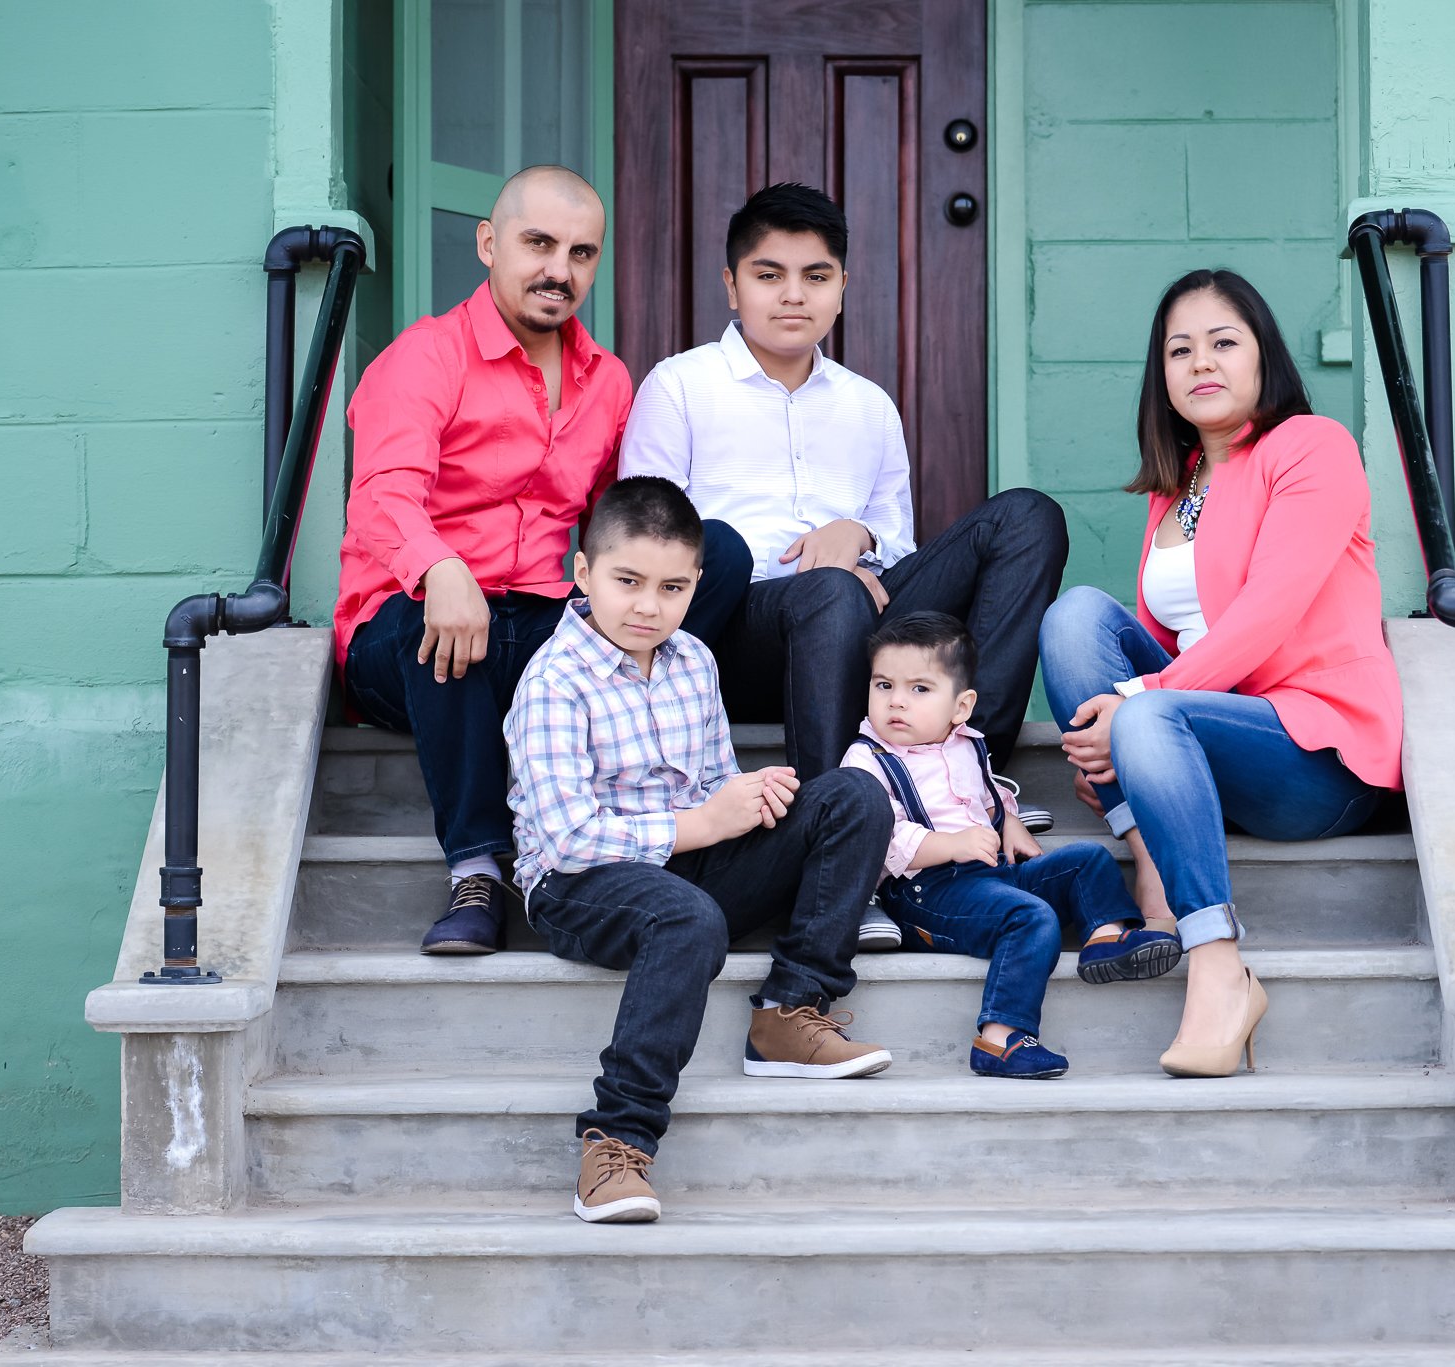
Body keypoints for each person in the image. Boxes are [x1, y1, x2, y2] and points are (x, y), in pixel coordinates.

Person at [1037, 269, 1404, 1079]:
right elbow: (1170, 644)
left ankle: (1216, 965)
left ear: (1262, 355)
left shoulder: (1311, 447)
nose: (1201, 362)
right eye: (1179, 349)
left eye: (1222, 342)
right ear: (1160, 377)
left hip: (1314, 751)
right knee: (1074, 618)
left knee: (1144, 718)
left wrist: (1138, 708)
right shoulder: (1175, 491)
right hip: (1201, 734)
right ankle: (1157, 872)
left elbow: (1266, 615)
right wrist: (1137, 741)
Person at [505, 476, 896, 1224]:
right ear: (583, 574)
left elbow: (715, 781)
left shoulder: (692, 660)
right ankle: (615, 1138)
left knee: (852, 793)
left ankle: (790, 1007)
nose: (649, 605)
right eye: (628, 581)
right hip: (579, 883)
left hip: (690, 867)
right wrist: (703, 825)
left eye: (673, 586)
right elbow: (568, 835)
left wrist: (755, 799)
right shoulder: (554, 681)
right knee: (685, 918)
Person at [616, 182, 1068, 804]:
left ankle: (973, 778)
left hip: (864, 623)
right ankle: (837, 822)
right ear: (731, 286)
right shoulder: (679, 386)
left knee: (1028, 516)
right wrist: (818, 577)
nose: (794, 295)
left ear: (842, 288)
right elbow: (643, 545)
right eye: (769, 275)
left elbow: (899, 545)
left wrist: (860, 535)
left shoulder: (869, 405)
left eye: (817, 276)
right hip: (741, 637)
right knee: (827, 589)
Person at [334, 165, 631, 956]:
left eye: (581, 253)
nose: (558, 271)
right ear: (488, 243)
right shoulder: (425, 356)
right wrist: (440, 568)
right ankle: (477, 870)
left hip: (533, 616)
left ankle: (606, 858)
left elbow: (609, 521)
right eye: (538, 244)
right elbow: (384, 496)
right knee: (444, 635)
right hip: (406, 627)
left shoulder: (609, 382)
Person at [840, 612, 1182, 1080]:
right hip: (925, 894)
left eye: (919, 689)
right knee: (1030, 916)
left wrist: (1011, 821)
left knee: (1088, 859)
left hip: (988, 874)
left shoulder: (966, 743)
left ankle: (1104, 939)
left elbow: (986, 793)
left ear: (960, 708)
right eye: (884, 686)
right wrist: (949, 844)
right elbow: (878, 839)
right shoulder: (867, 758)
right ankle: (1001, 1038)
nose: (897, 702)